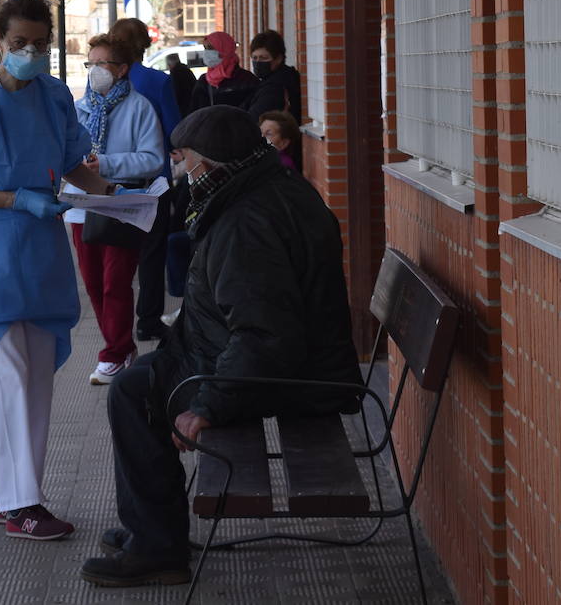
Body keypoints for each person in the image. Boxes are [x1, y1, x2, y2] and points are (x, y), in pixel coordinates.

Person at [81, 105, 362, 587]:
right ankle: (154, 532)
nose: (181, 170)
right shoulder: (267, 190)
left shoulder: (247, 223)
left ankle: (157, 547)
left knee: (133, 394)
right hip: (293, 363)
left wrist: (208, 405)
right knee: (138, 382)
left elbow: (266, 335)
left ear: (207, 165)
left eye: (184, 159)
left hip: (292, 378)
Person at [0, 0, 117, 541]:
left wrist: (119, 193)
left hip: (38, 256)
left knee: (35, 377)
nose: (31, 53)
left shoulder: (54, 95)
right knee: (8, 375)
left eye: (40, 44)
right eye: (19, 44)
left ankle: (2, 492)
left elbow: (73, 162)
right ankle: (21, 504)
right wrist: (17, 199)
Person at [63, 34, 165, 386]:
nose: (94, 71)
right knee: (93, 284)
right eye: (89, 63)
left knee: (115, 284)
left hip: (121, 205)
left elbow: (153, 159)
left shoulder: (139, 108)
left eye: (101, 63)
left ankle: (114, 353)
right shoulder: (79, 108)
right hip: (81, 206)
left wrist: (105, 164)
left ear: (121, 69)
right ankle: (121, 349)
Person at [109, 18, 181, 343]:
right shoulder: (157, 81)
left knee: (117, 255)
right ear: (144, 44)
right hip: (154, 181)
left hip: (112, 180)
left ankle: (116, 324)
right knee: (152, 254)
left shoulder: (104, 79)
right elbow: (174, 131)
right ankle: (148, 320)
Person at [187, 31, 258, 113]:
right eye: (205, 48)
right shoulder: (204, 81)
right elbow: (194, 114)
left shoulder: (247, 80)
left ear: (225, 49)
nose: (206, 52)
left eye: (210, 48)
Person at [244, 29, 302, 121]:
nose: (258, 62)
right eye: (255, 58)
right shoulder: (270, 80)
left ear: (278, 59)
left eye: (263, 58)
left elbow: (253, 119)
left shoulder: (275, 86)